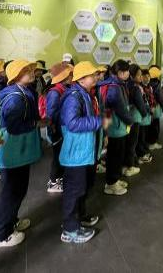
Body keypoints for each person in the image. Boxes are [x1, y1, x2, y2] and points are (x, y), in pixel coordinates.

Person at [0, 60, 47, 248]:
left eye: (30, 69)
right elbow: (13, 126)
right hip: (13, 149)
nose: (31, 72)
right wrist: (36, 124)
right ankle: (0, 235)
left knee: (18, 188)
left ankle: (11, 221)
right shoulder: (15, 98)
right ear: (15, 76)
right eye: (25, 71)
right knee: (11, 191)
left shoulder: (23, 91)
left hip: (18, 149)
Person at [58, 61, 103, 243]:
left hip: (83, 151)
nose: (96, 77)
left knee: (82, 187)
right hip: (76, 153)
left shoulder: (84, 94)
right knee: (74, 190)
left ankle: (80, 217)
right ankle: (70, 229)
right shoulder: (74, 97)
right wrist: (99, 121)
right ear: (82, 79)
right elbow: (73, 123)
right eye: (92, 75)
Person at [99, 60, 134, 196]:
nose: (128, 74)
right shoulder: (114, 87)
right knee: (115, 155)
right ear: (120, 72)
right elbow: (121, 110)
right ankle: (111, 184)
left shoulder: (112, 83)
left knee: (114, 154)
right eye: (127, 71)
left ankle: (114, 179)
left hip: (113, 126)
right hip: (116, 127)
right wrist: (130, 121)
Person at [45, 63, 73, 193]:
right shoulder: (55, 92)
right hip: (58, 129)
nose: (72, 77)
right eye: (70, 74)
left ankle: (59, 178)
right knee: (57, 155)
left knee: (61, 154)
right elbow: (51, 114)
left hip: (63, 129)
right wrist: (55, 131)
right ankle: (53, 182)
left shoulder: (64, 89)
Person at [135, 68, 153, 164]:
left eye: (148, 76)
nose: (147, 78)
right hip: (141, 116)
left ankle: (143, 151)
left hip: (145, 114)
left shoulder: (148, 87)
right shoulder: (138, 88)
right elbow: (142, 103)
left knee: (144, 134)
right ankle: (140, 154)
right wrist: (147, 111)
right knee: (140, 136)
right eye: (143, 76)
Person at [147, 66, 163, 151]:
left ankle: (149, 141)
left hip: (149, 108)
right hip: (156, 107)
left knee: (150, 125)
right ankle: (153, 143)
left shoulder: (147, 83)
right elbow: (161, 98)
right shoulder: (157, 84)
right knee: (155, 125)